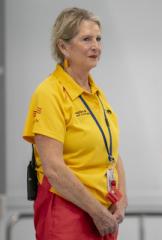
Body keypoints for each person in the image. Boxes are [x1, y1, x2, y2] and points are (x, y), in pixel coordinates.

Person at [23, 7, 127, 240]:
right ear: (63, 47)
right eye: (86, 39)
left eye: (99, 38)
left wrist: (122, 197)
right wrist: (96, 211)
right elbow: (54, 169)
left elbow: (112, 152)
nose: (96, 46)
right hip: (67, 213)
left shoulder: (97, 94)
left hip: (103, 212)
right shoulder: (49, 93)